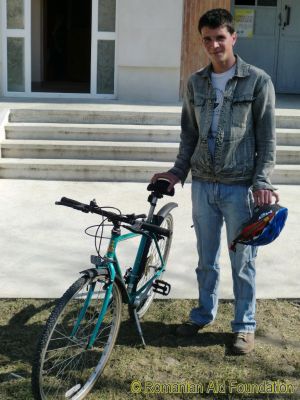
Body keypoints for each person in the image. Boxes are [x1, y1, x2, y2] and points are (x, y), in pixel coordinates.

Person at [151, 8, 279, 354]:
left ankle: (244, 326)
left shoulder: (258, 81)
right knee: (206, 259)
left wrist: (262, 182)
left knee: (243, 261)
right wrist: (177, 173)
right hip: (204, 185)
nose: (213, 45)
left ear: (233, 37)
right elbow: (188, 135)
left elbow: (267, 140)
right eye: (207, 39)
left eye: (220, 38)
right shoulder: (196, 83)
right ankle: (203, 314)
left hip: (240, 187)